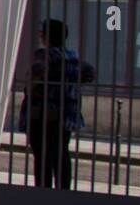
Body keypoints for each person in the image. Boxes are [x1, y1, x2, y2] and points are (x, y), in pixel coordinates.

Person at [19, 18, 95, 189]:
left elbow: (31, 83)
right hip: (66, 115)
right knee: (61, 153)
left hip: (43, 114)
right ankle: (63, 192)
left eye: (42, 33)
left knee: (42, 156)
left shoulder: (43, 56)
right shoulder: (73, 57)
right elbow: (90, 73)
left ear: (47, 36)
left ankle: (43, 193)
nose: (40, 36)